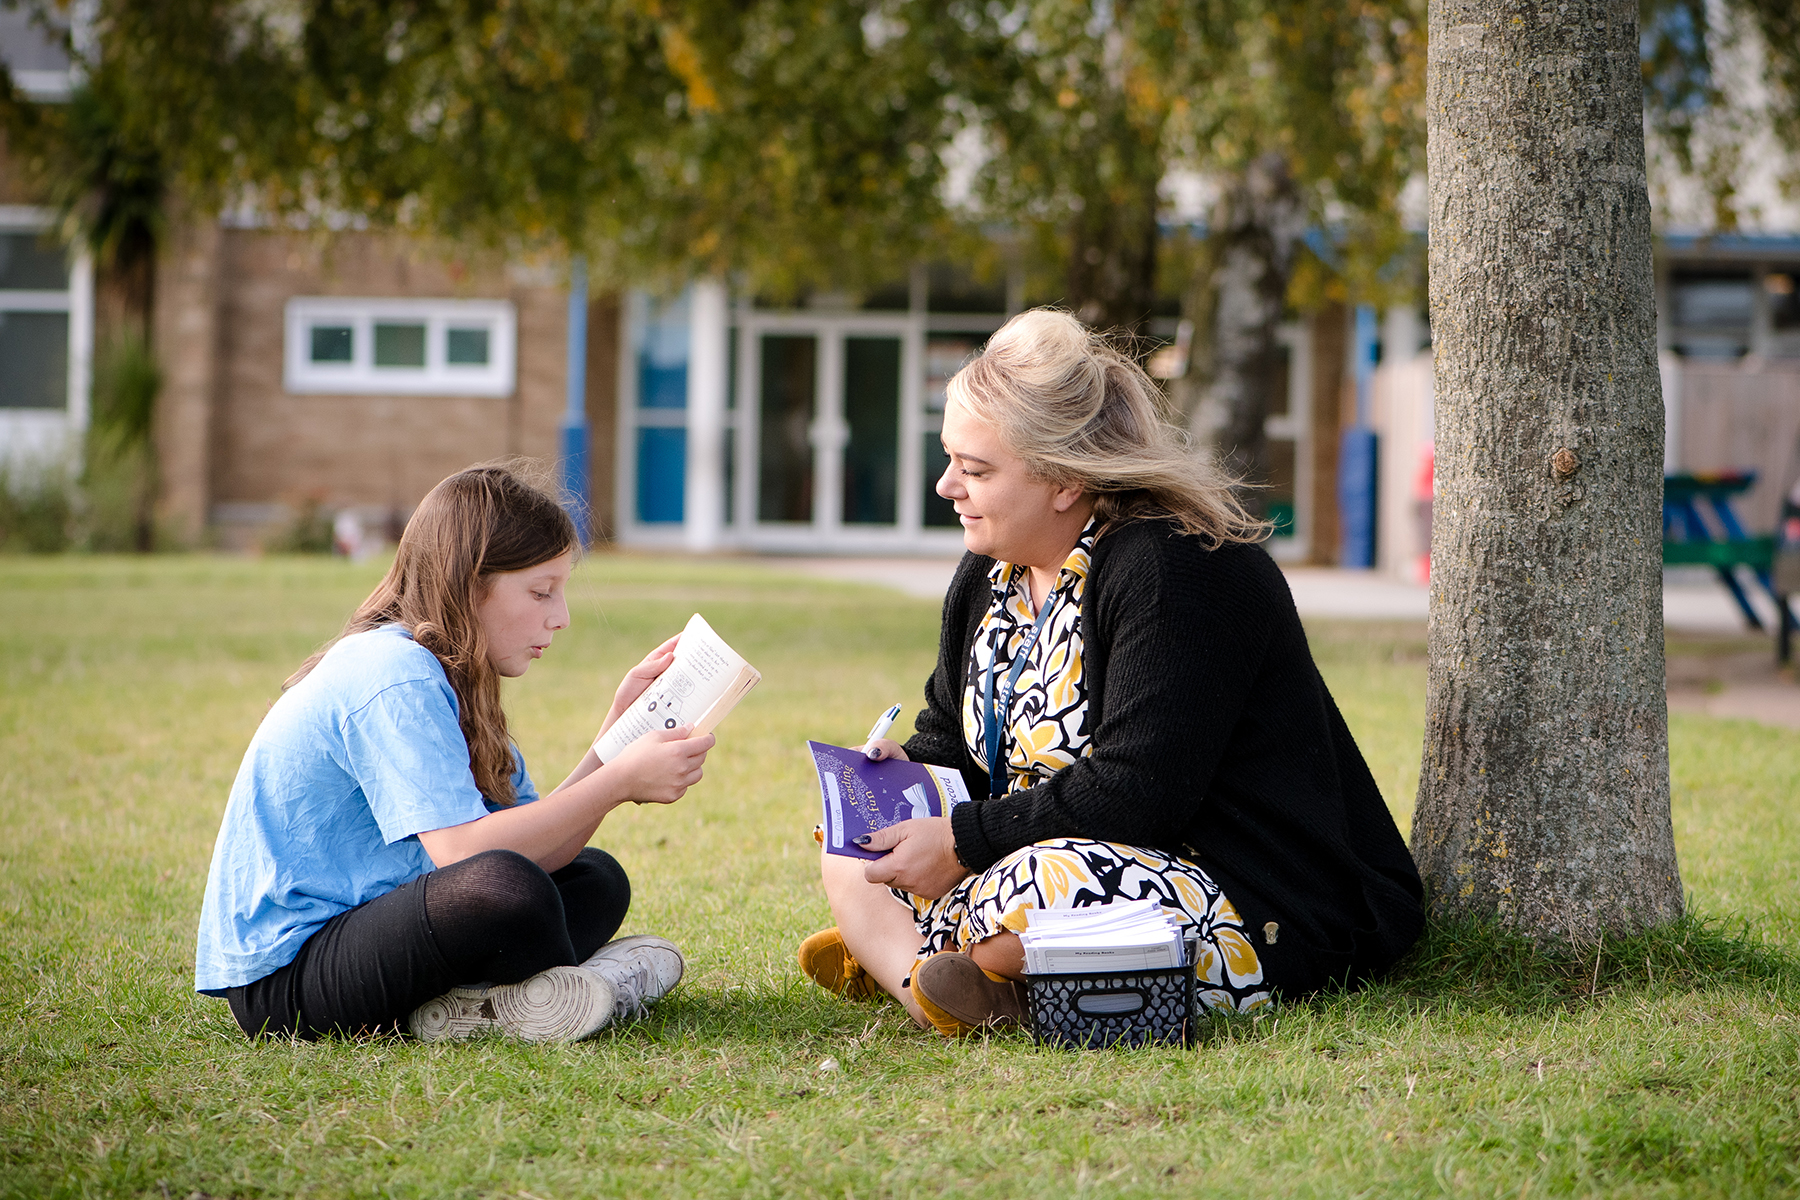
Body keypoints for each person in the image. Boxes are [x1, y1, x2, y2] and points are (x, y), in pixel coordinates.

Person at [797, 310, 1424, 1035]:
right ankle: (950, 979)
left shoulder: (1178, 567)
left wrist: (962, 843)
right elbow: (952, 737)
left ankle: (924, 962)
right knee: (851, 854)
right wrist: (898, 777)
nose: (946, 487)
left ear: (1064, 480)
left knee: (1038, 883)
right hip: (1056, 850)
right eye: (949, 460)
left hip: (1249, 896)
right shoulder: (989, 573)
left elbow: (1139, 794)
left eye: (973, 469)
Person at [195, 464, 716, 1042]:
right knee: (504, 889)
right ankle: (574, 988)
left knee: (595, 877)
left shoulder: (453, 677)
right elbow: (465, 855)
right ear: (470, 585)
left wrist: (609, 746)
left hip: (383, 926)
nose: (561, 617)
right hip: (289, 978)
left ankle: (496, 1003)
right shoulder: (393, 674)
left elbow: (534, 845)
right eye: (542, 591)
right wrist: (616, 781)